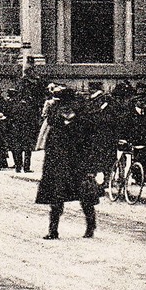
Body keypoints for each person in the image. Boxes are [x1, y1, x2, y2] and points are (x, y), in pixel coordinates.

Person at [35, 85, 99, 239]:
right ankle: (55, 230)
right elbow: (51, 147)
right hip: (63, 165)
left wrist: (90, 166)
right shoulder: (60, 122)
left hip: (75, 166)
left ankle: (87, 227)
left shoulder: (81, 123)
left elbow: (90, 146)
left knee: (81, 197)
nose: (66, 111)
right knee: (62, 198)